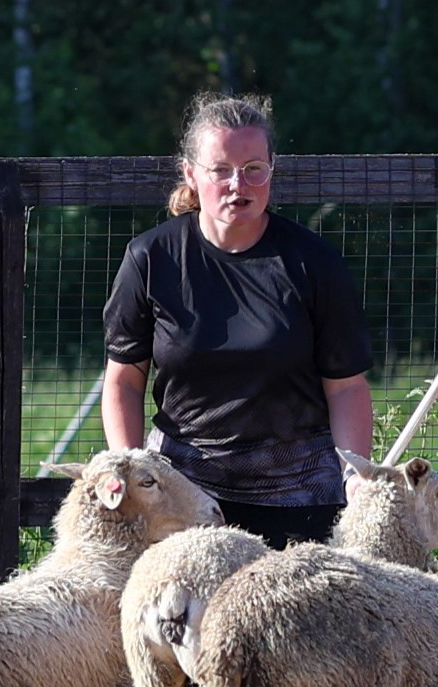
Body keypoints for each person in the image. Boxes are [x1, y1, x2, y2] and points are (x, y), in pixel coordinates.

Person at [99, 92, 374, 547]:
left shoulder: (314, 262)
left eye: (253, 170)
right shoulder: (149, 258)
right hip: (181, 494)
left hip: (300, 494)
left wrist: (356, 477)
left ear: (272, 172)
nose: (237, 184)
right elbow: (123, 381)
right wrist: (128, 468)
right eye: (221, 170)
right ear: (191, 174)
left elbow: (346, 386)